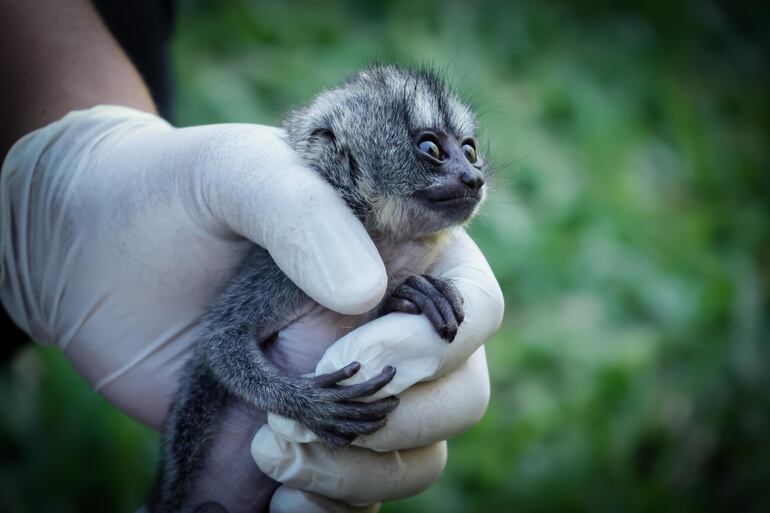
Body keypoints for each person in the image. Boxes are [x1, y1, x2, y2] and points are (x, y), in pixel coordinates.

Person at [0, 1, 504, 511]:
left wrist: (416, 299)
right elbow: (223, 345)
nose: (471, 175)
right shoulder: (296, 251)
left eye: (468, 149)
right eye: (431, 149)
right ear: (343, 145)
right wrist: (300, 401)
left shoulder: (404, 259)